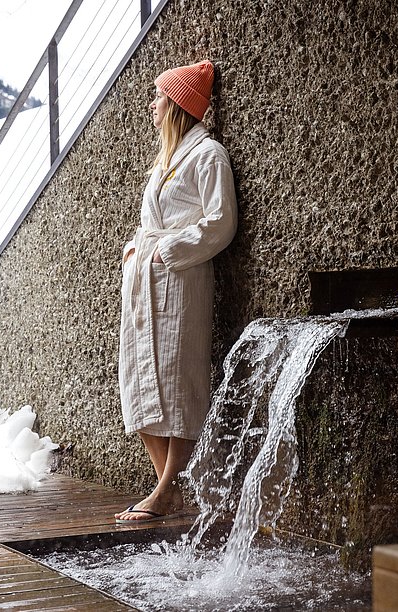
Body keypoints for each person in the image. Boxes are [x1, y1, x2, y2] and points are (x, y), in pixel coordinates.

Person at [115, 60, 237, 523]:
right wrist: (135, 249)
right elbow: (152, 221)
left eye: (159, 97)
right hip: (144, 278)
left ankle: (165, 490)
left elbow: (221, 222)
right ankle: (167, 490)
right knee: (139, 380)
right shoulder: (165, 159)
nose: (152, 104)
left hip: (180, 281)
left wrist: (170, 251)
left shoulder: (209, 156)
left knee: (177, 382)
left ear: (178, 105)